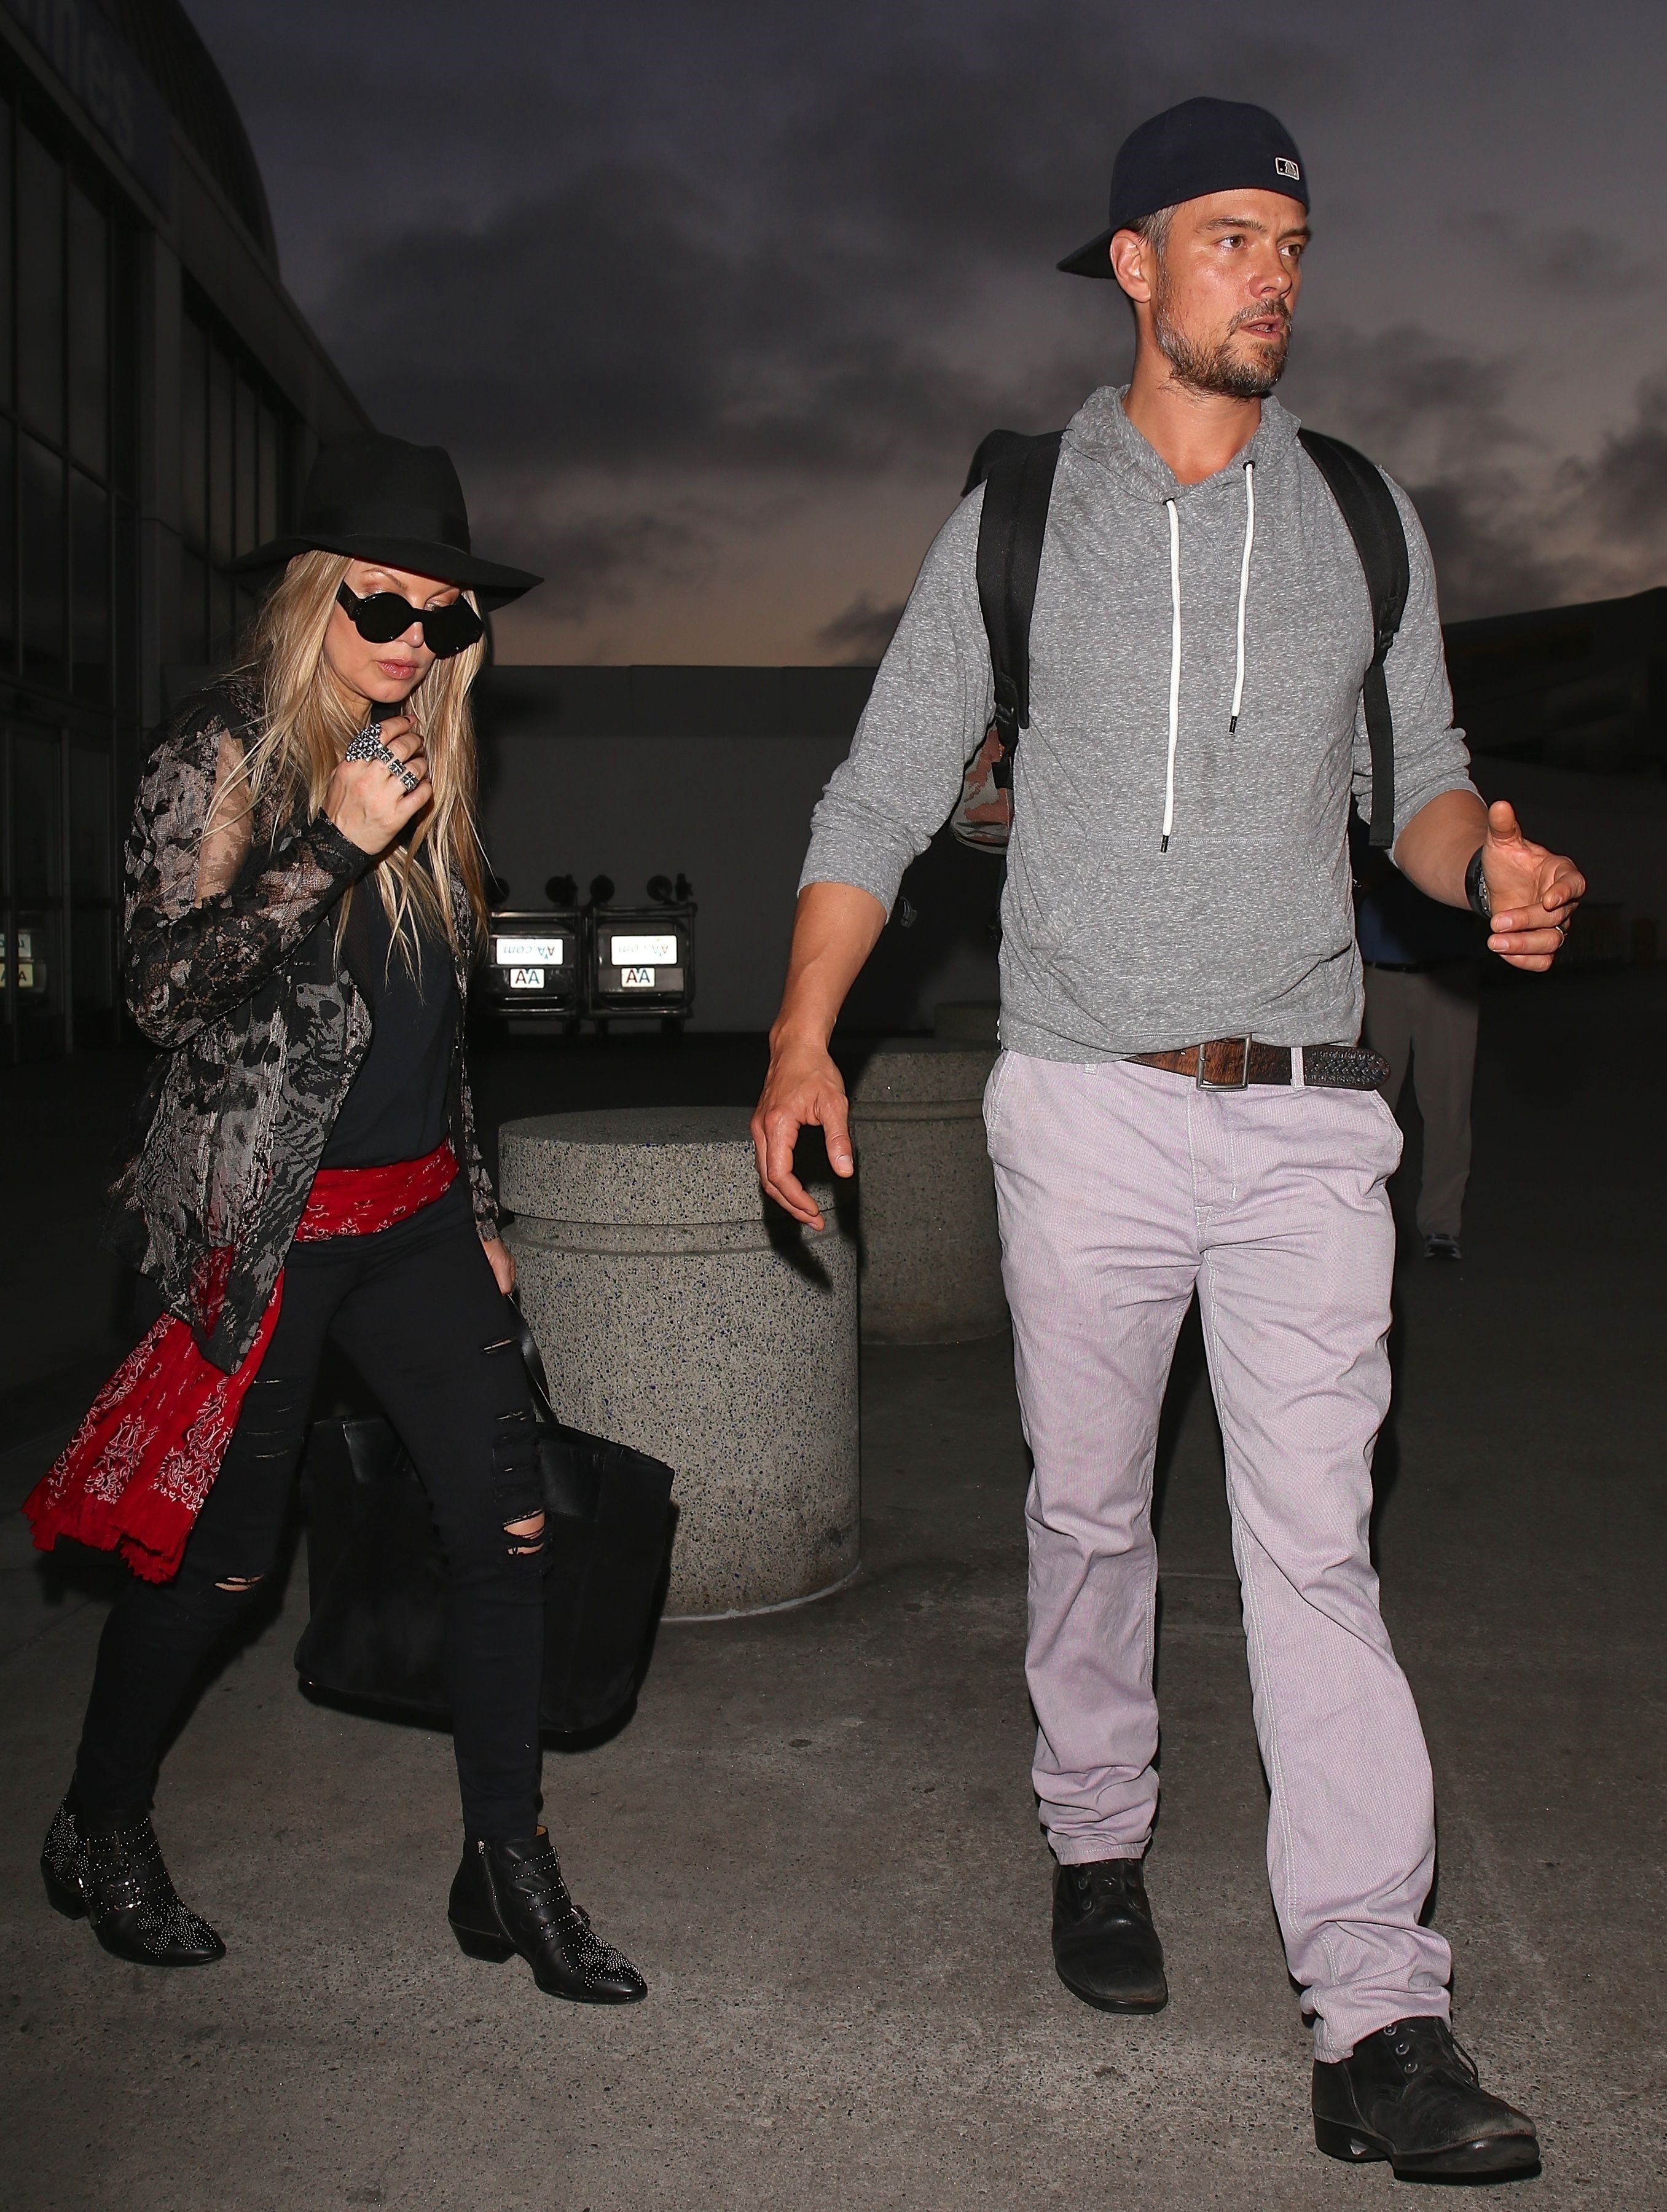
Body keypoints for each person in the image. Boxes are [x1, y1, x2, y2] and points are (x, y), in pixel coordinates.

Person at [751, 98, 1582, 2182]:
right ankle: (1097, 1835)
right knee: (1093, 1509)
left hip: (1308, 1115)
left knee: (1314, 1550)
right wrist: (796, 1041)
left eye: (1291, 243)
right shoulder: (1024, 512)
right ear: (1132, 263)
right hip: (1083, 1108)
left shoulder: (1365, 514)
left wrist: (1486, 866)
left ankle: (1378, 2010)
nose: (1273, 276)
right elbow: (879, 792)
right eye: (1229, 238)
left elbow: (1427, 783)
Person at [26, 433, 645, 2007]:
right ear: (316, 595)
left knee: (509, 1531)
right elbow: (158, 992)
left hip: (420, 1224)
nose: (415, 644)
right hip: (267, 1229)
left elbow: (431, 1023)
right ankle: (101, 1820)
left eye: (446, 620)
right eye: (386, 607)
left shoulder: (428, 758)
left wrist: (481, 1201)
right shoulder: (220, 754)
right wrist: (330, 846)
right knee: (227, 1567)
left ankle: (508, 1863)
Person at [1354, 822, 1483, 1260]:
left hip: (1446, 974)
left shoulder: (1448, 805)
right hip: (1378, 976)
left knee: (1447, 1103)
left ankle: (1442, 1225)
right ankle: (1364, 1225)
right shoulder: (1358, 804)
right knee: (1370, 1110)